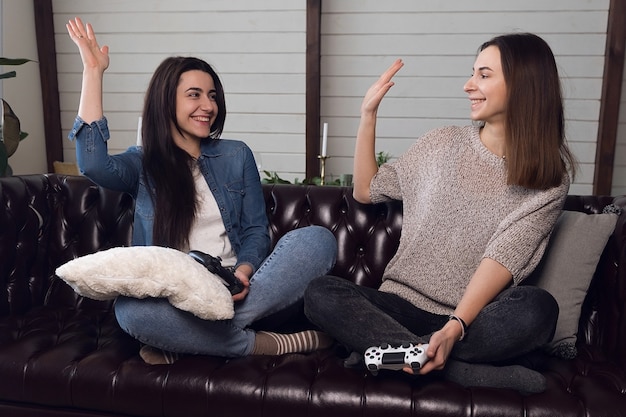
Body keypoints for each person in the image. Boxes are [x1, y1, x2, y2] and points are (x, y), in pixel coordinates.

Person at [304, 33, 577, 394]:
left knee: (538, 308)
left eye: (483, 75)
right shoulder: (441, 143)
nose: (468, 85)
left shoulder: (550, 180)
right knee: (320, 293)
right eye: (472, 73)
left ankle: (386, 356)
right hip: (399, 305)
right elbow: (366, 190)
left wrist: (453, 327)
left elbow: (504, 257)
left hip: (473, 321)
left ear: (523, 85)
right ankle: (456, 371)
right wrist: (367, 115)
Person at [66, 17, 337, 364]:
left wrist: (242, 272)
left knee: (317, 240)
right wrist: (93, 72)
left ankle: (184, 341)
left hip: (240, 292)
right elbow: (93, 164)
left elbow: (255, 231)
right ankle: (266, 344)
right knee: (132, 312)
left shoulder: (236, 154)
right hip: (176, 300)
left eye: (212, 96)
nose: (207, 106)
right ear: (167, 102)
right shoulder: (143, 164)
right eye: (194, 95)